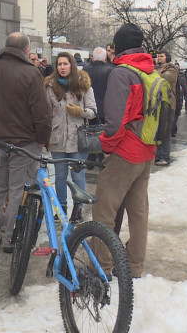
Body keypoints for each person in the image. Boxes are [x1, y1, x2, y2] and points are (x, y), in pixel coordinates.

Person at [0, 32, 52, 253]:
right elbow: (41, 114)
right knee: (18, 190)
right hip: (24, 142)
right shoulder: (30, 73)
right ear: (26, 51)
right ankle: (11, 239)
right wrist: (43, 140)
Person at [92, 23, 156, 279]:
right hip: (146, 151)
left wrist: (107, 147)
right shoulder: (150, 69)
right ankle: (133, 265)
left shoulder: (122, 73)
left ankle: (102, 267)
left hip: (125, 152)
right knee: (138, 213)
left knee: (103, 211)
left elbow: (115, 121)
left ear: (117, 46)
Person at [45, 52, 96, 214]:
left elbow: (93, 112)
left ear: (71, 65)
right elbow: (46, 112)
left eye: (65, 64)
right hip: (57, 138)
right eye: (59, 64)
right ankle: (61, 208)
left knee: (77, 177)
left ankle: (78, 208)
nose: (62, 67)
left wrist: (80, 111)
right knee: (59, 177)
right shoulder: (50, 87)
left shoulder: (84, 85)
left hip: (78, 139)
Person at [154, 51, 178, 165]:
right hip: (157, 103)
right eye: (158, 56)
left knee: (165, 130)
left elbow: (165, 78)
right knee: (157, 130)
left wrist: (151, 71)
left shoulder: (171, 69)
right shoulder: (156, 69)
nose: (158, 58)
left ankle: (164, 156)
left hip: (167, 104)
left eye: (161, 56)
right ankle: (157, 155)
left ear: (167, 58)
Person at [173, 62, 187, 137]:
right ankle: (173, 128)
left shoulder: (181, 76)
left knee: (176, 113)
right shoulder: (171, 74)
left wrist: (185, 95)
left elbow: (184, 86)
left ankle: (173, 128)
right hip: (173, 96)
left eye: (177, 67)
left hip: (179, 97)